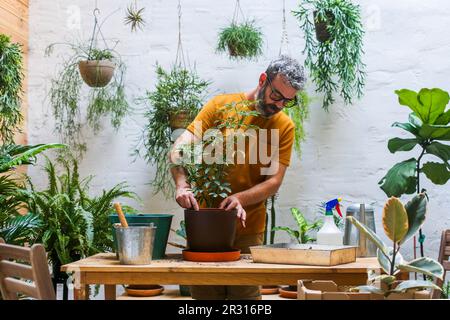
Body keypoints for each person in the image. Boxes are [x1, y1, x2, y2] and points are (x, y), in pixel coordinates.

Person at [169, 55, 306, 300]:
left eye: (288, 101)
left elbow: (274, 181)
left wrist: (240, 198)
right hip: (205, 226)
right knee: (205, 299)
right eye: (276, 96)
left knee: (245, 300)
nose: (280, 105)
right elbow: (181, 147)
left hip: (248, 227)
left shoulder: (284, 126)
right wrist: (181, 184)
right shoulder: (221, 106)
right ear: (263, 80)